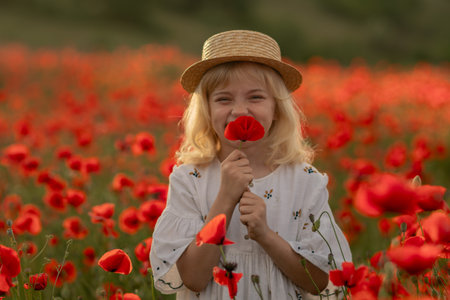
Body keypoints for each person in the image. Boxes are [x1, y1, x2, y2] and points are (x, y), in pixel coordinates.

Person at [150, 29, 352, 300]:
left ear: (277, 108)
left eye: (255, 97)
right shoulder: (190, 179)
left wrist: (266, 236)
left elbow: (318, 282)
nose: (240, 110)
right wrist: (225, 198)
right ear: (207, 111)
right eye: (224, 99)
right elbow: (194, 278)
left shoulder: (304, 181)